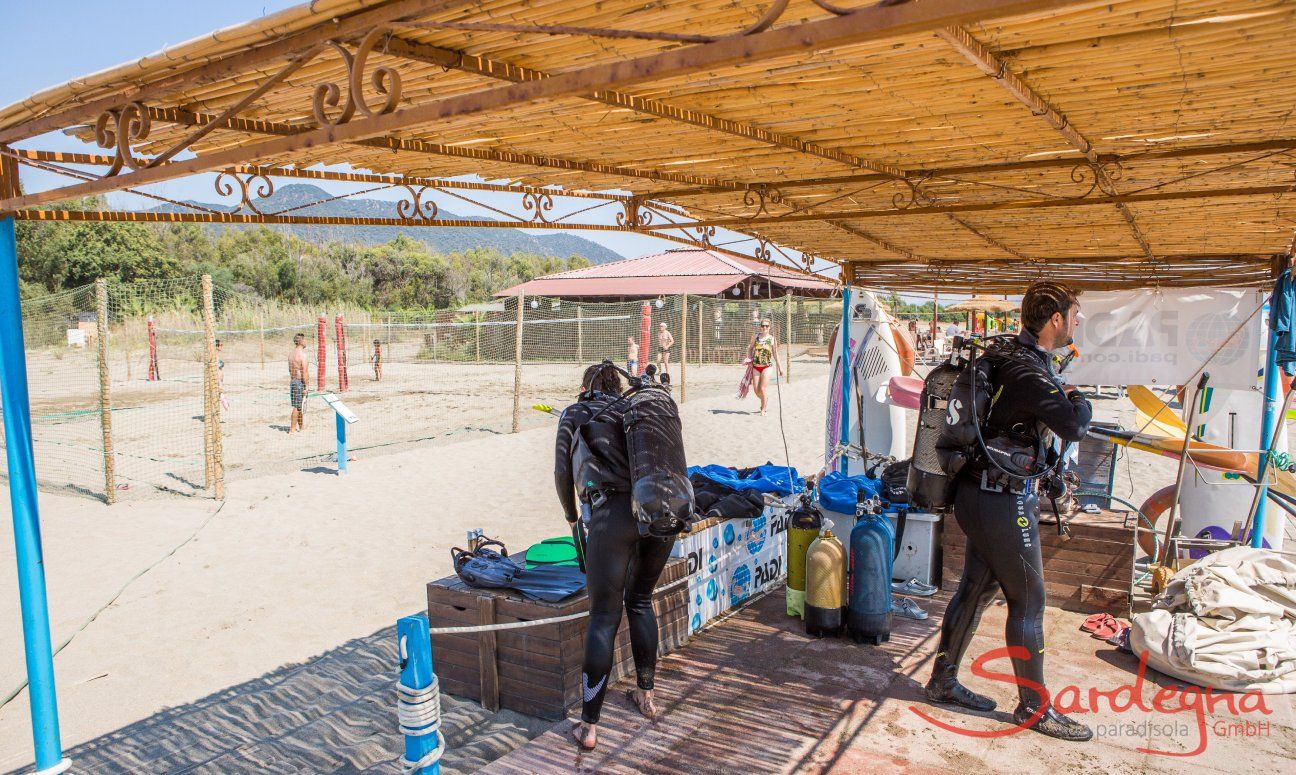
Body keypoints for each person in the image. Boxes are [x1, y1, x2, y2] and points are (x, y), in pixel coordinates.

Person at [926, 280, 1094, 741]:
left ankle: (942, 681)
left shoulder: (1003, 354)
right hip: (999, 499)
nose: (1078, 323)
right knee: (1029, 601)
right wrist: (1078, 397)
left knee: (977, 590)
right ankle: (1034, 709)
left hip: (977, 495)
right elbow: (1075, 427)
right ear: (1055, 319)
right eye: (1075, 315)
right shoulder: (1029, 372)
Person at [554, 362, 674, 751]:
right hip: (657, 513)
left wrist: (573, 517)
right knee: (640, 601)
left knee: (603, 618)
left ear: (584, 386)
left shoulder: (575, 412)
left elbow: (561, 473)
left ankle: (589, 727)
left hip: (613, 517)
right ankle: (647, 695)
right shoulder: (633, 409)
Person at [744, 318, 782, 416]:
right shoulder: (755, 337)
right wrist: (749, 358)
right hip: (756, 366)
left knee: (762, 388)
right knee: (756, 390)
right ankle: (765, 399)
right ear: (760, 327)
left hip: (767, 366)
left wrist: (780, 367)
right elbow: (750, 348)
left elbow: (775, 353)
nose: (764, 327)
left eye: (766, 326)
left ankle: (763, 409)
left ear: (769, 327)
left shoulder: (772, 339)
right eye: (763, 326)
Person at [288, 333, 308, 433]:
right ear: (301, 342)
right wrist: (306, 386)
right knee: (297, 406)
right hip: (299, 382)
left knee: (299, 405)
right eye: (305, 340)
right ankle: (292, 429)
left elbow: (290, 369)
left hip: (292, 381)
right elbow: (304, 372)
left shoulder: (291, 354)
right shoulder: (302, 355)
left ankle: (301, 427)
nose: (306, 342)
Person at [215, 339, 229, 413]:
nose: (221, 346)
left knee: (219, 394)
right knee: (219, 393)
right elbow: (216, 369)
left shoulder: (217, 355)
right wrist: (219, 382)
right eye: (220, 345)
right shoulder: (215, 356)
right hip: (217, 379)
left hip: (220, 379)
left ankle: (223, 400)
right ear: (216, 346)